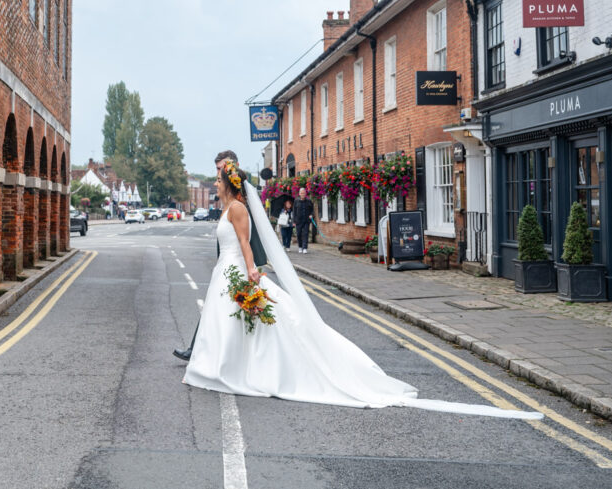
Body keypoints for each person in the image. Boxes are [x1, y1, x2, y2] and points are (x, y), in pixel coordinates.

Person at [181, 158, 542, 419]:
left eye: (217, 179)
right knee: (229, 322)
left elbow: (245, 243)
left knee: (263, 320)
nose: (214, 183)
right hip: (223, 273)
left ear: (229, 182)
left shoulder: (239, 210)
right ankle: (218, 367)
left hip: (237, 270)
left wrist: (251, 272)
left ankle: (233, 370)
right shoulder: (227, 206)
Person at [172, 149, 266, 362]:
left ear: (232, 169)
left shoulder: (240, 198)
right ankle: (205, 351)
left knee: (226, 307)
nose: (217, 176)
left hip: (240, 259)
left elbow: (245, 239)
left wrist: (251, 267)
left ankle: (211, 353)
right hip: (228, 259)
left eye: (220, 170)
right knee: (218, 307)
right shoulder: (229, 201)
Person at [292, 187, 313, 254]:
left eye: (304, 193)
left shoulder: (309, 201)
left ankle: (305, 248)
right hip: (298, 220)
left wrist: (311, 215)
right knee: (298, 234)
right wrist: (294, 221)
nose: (303, 194)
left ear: (305, 193)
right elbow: (294, 211)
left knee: (305, 234)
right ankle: (300, 247)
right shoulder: (296, 201)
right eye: (301, 193)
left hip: (306, 220)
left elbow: (312, 210)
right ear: (299, 194)